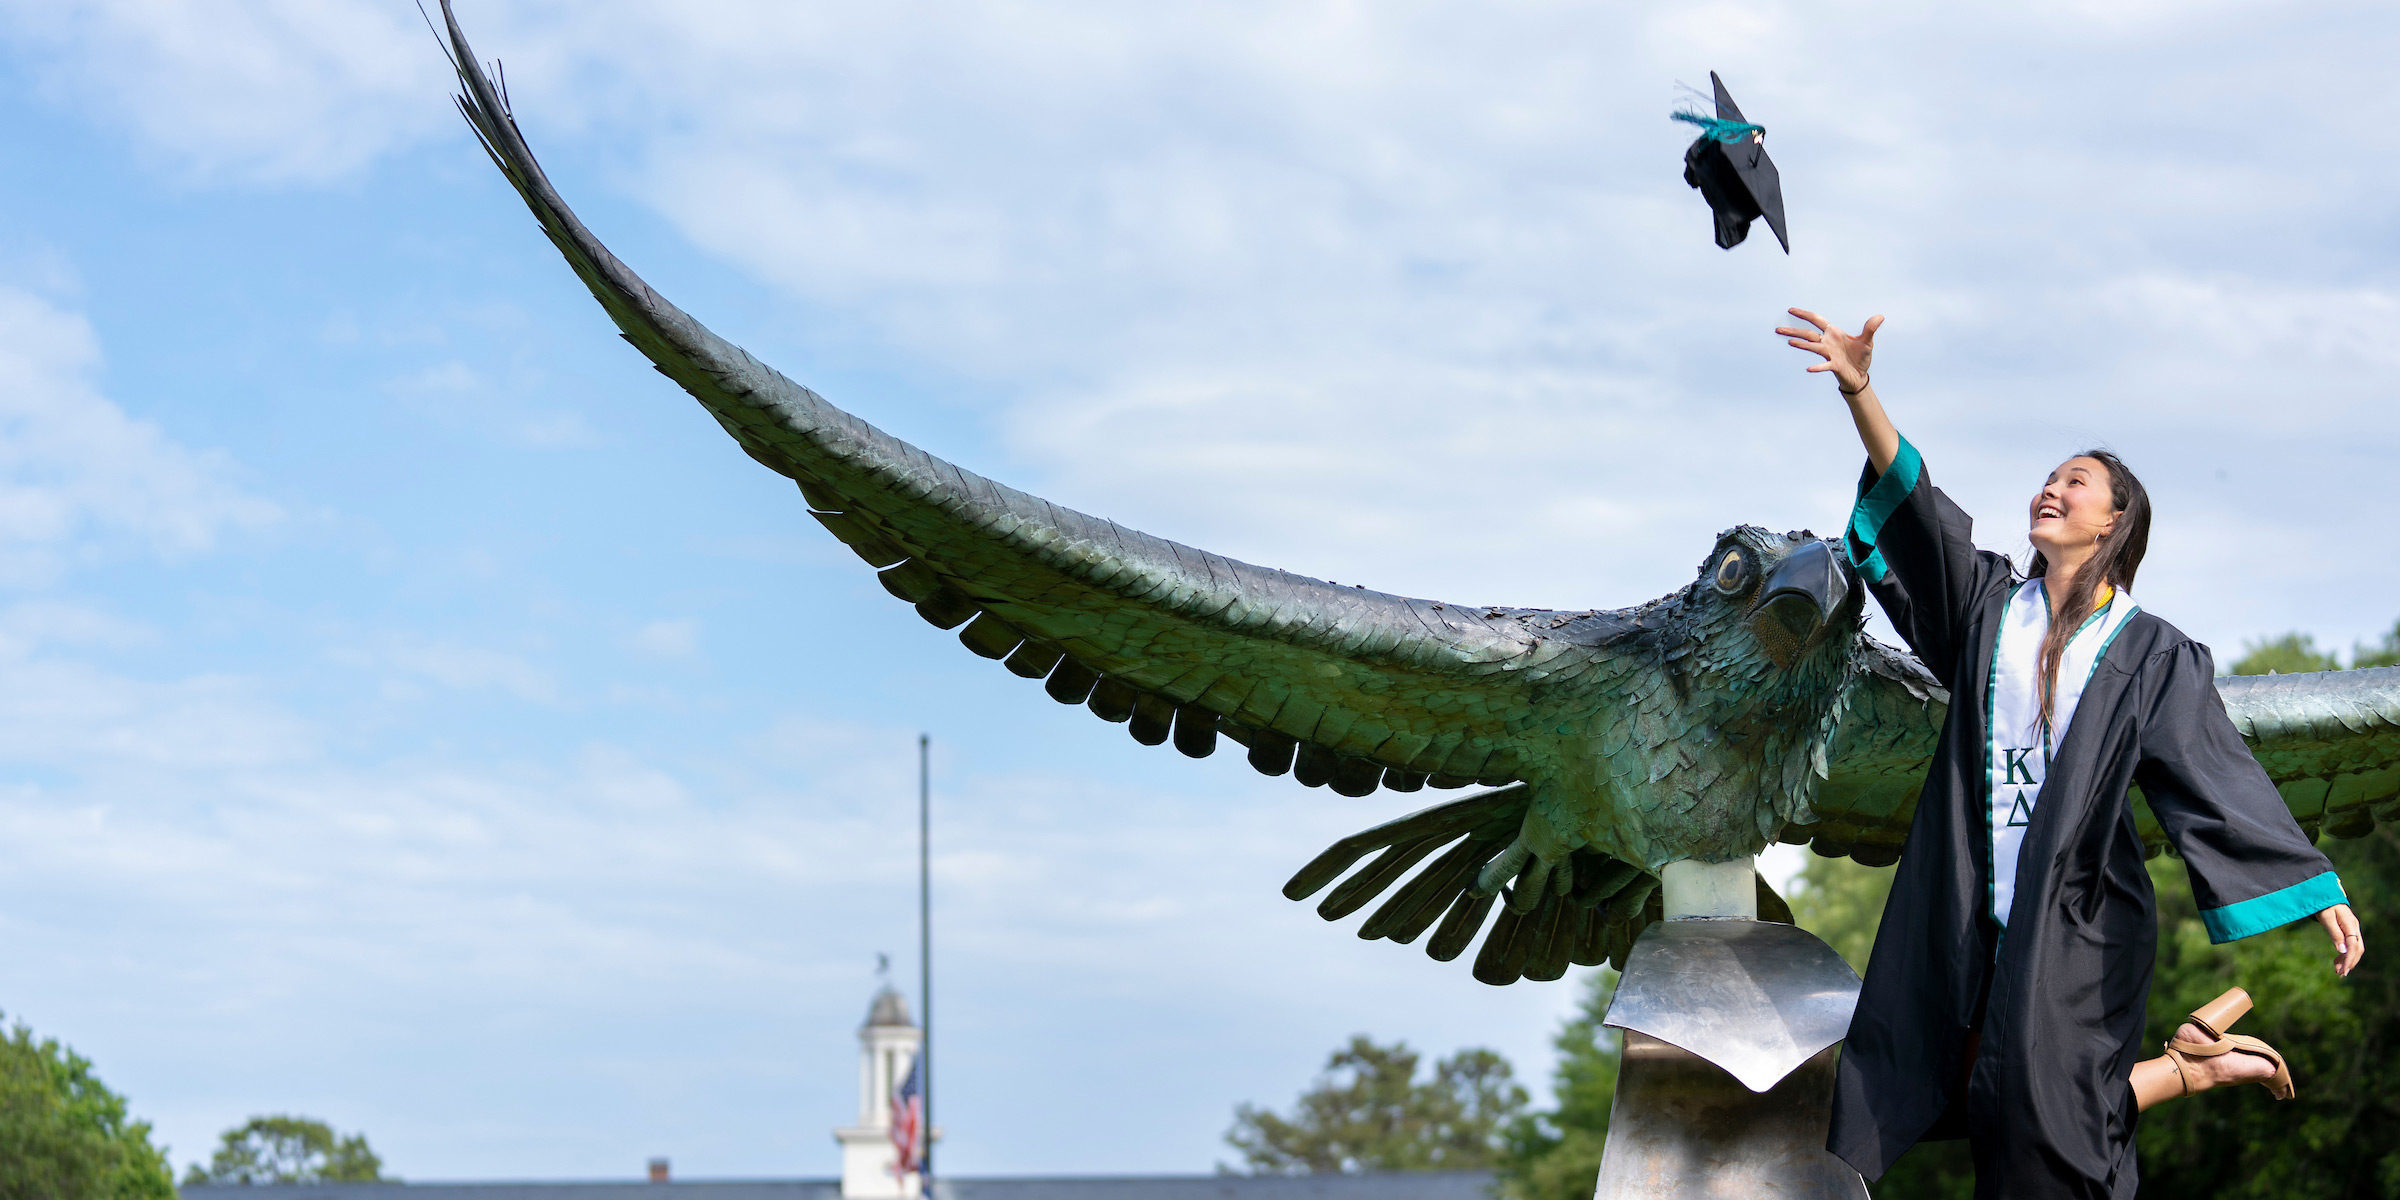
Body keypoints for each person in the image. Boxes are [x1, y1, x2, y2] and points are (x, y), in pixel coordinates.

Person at [1775, 309, 2367, 1199]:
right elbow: (1917, 504)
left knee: (2040, 1126)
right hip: (1961, 896)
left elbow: (2214, 774)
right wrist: (1861, 390)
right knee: (1931, 1081)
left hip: (2080, 913)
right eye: (2049, 477)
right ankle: (2188, 1067)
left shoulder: (2151, 651)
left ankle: (2183, 1070)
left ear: (2114, 523)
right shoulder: (1987, 608)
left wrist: (2310, 885)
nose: (2052, 489)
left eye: (2078, 483)